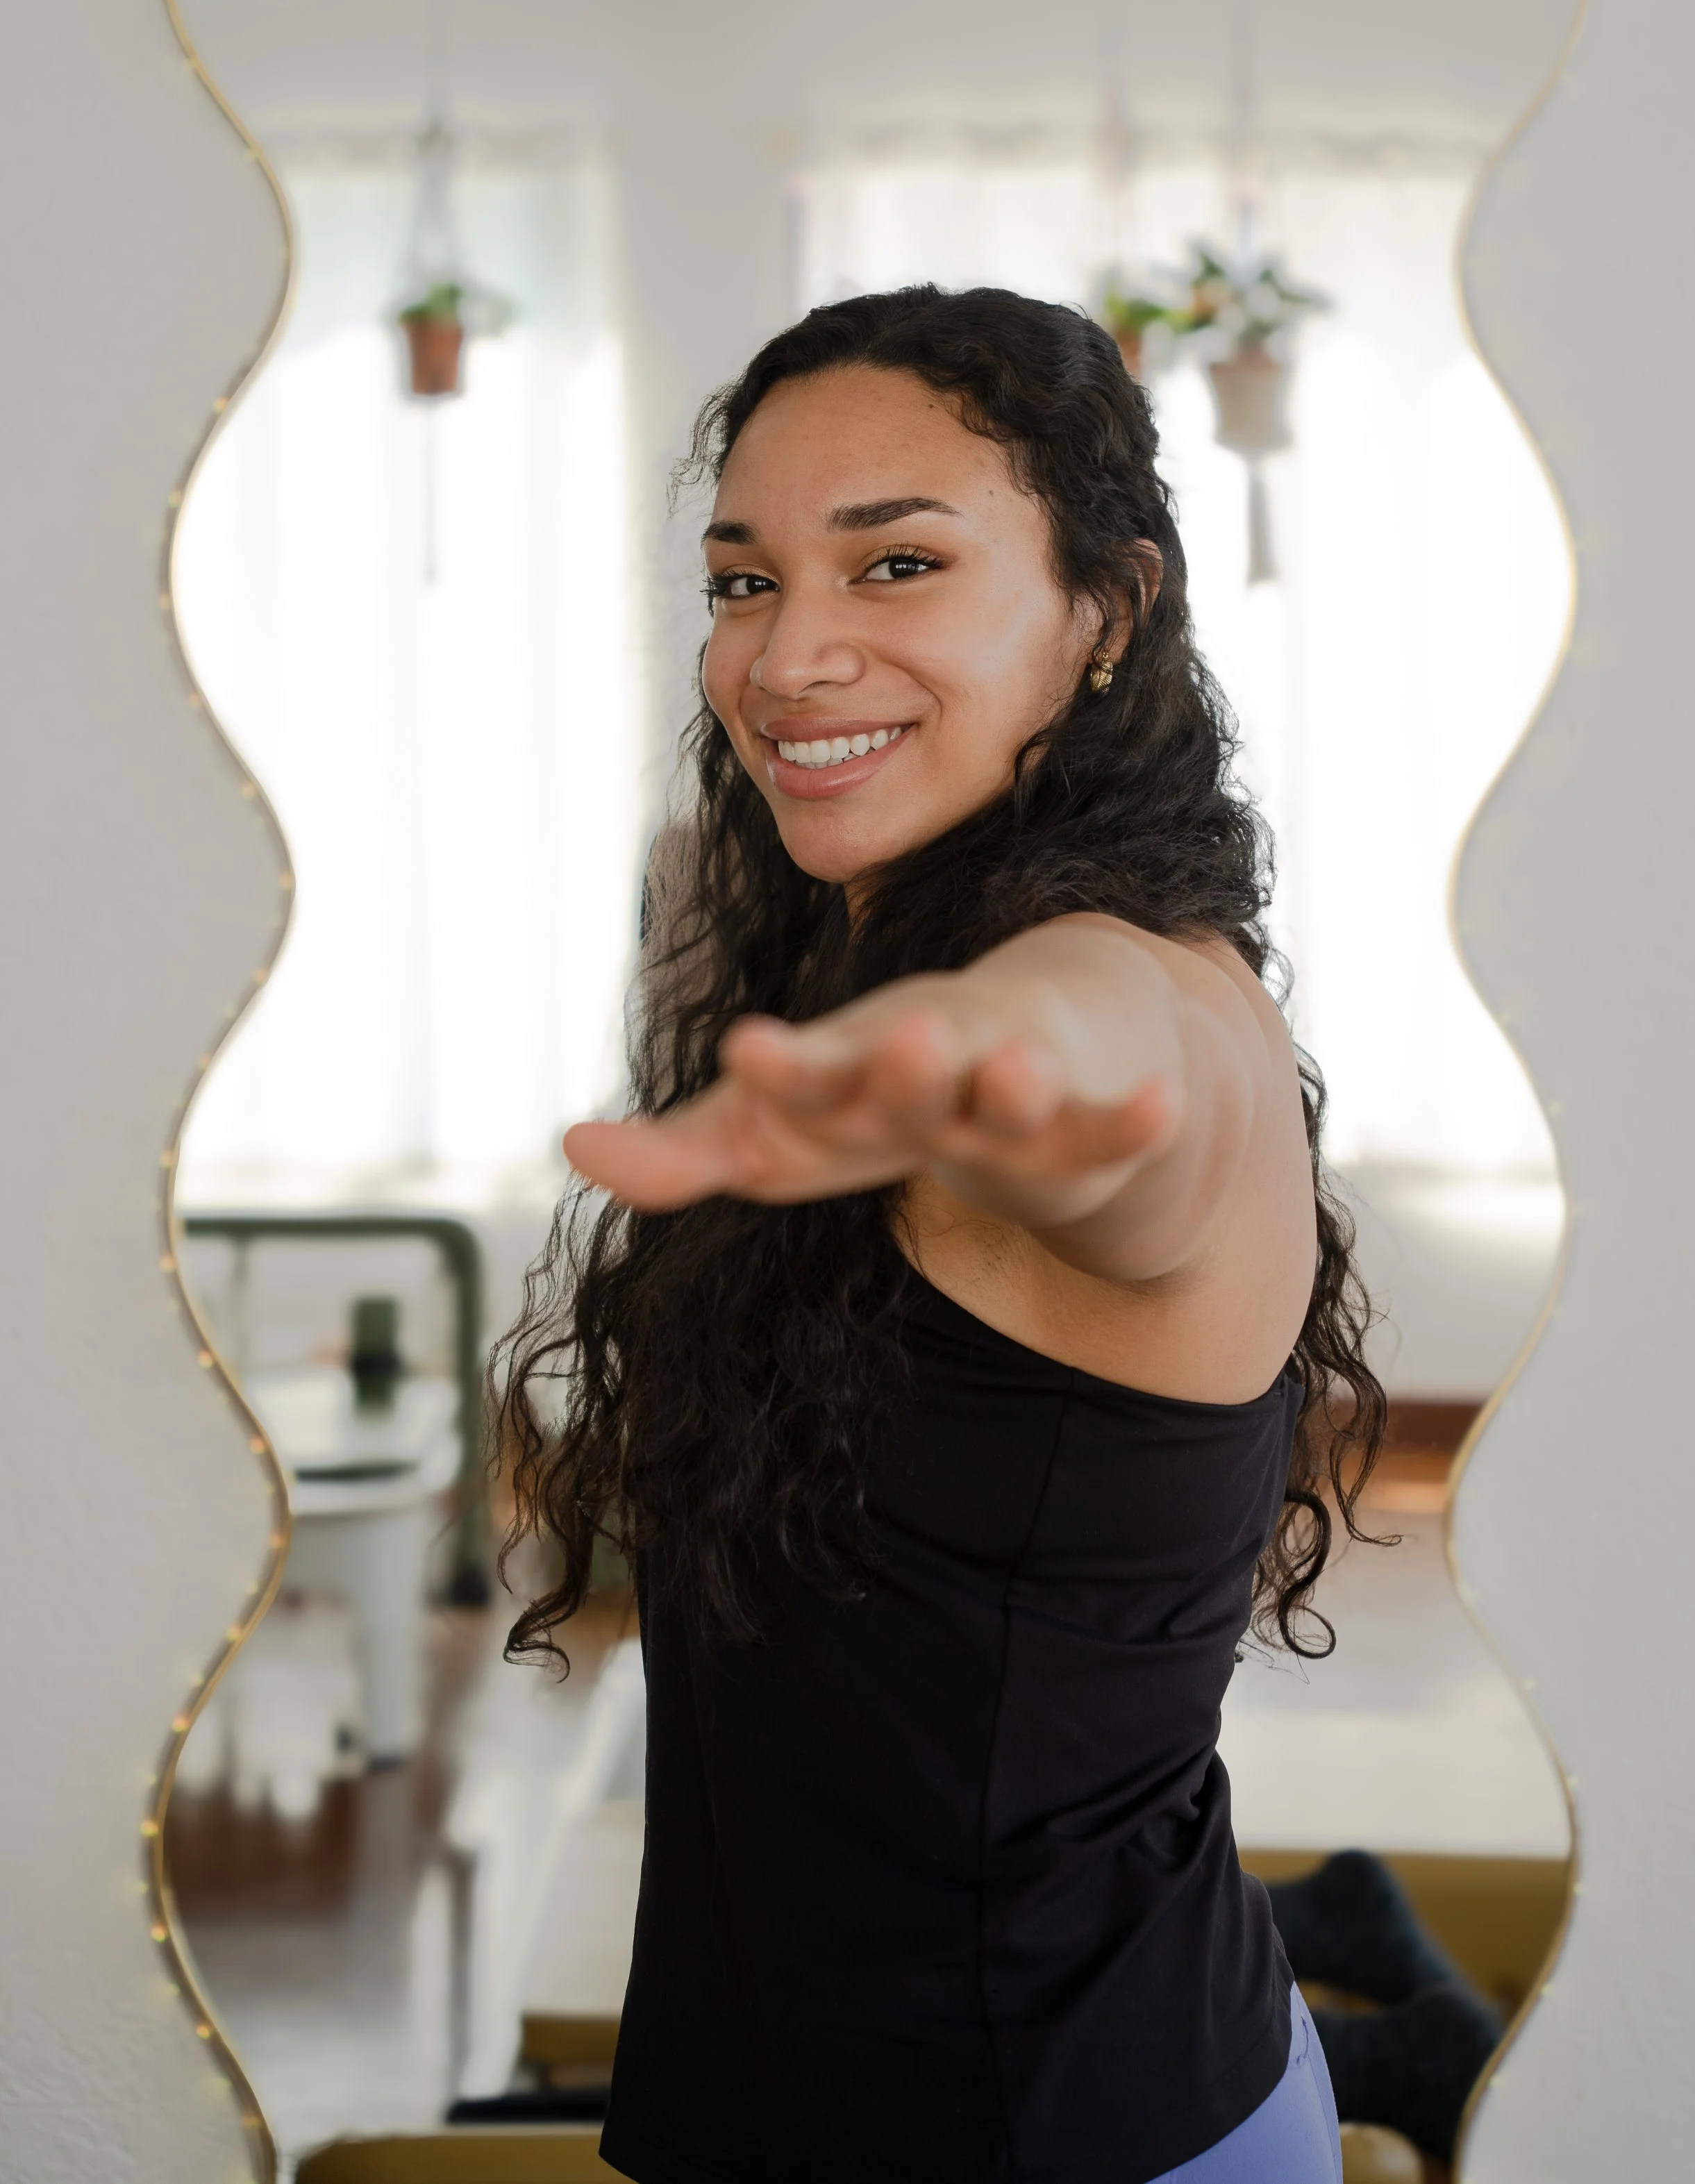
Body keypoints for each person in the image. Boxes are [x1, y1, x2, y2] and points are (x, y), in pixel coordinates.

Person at [492, 284, 1385, 2184]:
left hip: (1063, 2132)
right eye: (745, 582)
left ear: (1106, 609)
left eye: (897, 563)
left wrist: (1000, 1072)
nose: (792, 652)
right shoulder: (843, 951)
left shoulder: (1130, 997)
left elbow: (1105, 1055)